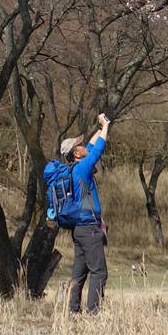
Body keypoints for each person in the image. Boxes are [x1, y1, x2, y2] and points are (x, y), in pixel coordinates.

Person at [63, 113, 110, 314]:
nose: (83, 145)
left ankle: (73, 311)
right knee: (99, 272)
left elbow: (92, 145)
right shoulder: (83, 168)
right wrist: (106, 126)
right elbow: (98, 148)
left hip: (79, 230)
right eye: (79, 145)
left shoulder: (75, 168)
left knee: (79, 273)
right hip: (90, 229)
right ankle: (93, 314)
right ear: (76, 153)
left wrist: (101, 126)